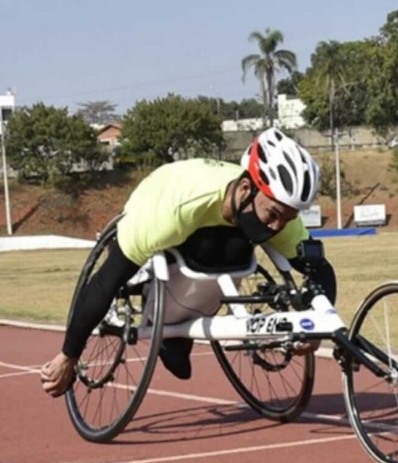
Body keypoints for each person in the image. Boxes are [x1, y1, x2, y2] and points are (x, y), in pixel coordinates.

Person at [40, 128, 337, 397]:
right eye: (272, 214)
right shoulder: (173, 213)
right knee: (206, 248)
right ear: (246, 191)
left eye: (287, 219)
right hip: (160, 195)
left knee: (236, 250)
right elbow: (105, 281)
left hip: (214, 223)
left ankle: (177, 322)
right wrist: (68, 355)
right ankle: (160, 312)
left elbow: (320, 270)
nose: (276, 227)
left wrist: (315, 326)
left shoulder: (279, 213)